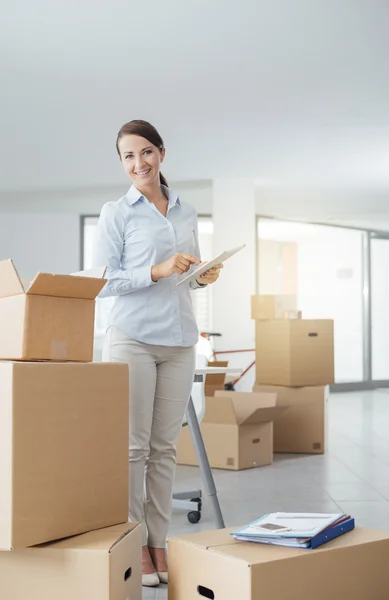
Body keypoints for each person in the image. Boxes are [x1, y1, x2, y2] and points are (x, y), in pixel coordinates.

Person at [93, 120, 221, 587]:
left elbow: (187, 268)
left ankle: (159, 542)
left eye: (145, 152)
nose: (138, 164)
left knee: (165, 449)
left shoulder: (185, 211)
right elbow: (103, 282)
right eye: (128, 156)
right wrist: (157, 269)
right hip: (132, 337)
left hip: (179, 338)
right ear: (122, 162)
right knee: (133, 448)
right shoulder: (117, 213)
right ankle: (135, 544)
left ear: (161, 154)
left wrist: (202, 275)